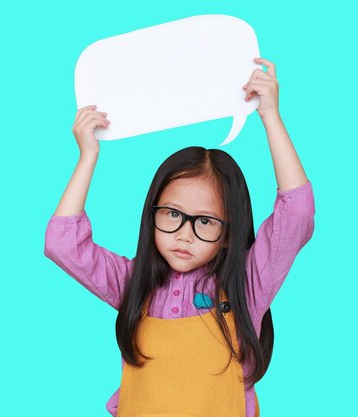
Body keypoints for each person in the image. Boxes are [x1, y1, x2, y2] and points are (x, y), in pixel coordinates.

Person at [43, 57, 315, 417]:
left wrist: (271, 117)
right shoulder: (132, 284)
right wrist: (88, 156)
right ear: (151, 215)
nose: (184, 234)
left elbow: (297, 214)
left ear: (229, 234)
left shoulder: (247, 287)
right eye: (172, 214)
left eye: (204, 221)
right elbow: (61, 244)